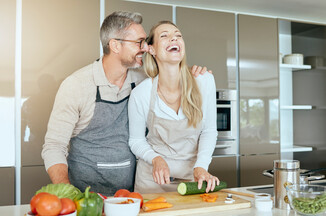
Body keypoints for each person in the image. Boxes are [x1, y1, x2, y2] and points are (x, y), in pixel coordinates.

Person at [42, 11, 208, 196]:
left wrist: (193, 73)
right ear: (115, 45)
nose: (145, 48)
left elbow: (171, 73)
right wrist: (68, 192)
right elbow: (54, 147)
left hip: (130, 193)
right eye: (139, 42)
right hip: (85, 194)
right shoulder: (76, 86)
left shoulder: (142, 80)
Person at [128, 21, 219, 194]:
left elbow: (209, 130)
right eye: (164, 36)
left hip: (192, 178)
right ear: (152, 49)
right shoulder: (141, 93)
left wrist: (201, 166)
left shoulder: (204, 81)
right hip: (152, 180)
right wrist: (156, 159)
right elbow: (136, 140)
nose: (174, 39)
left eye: (178, 35)